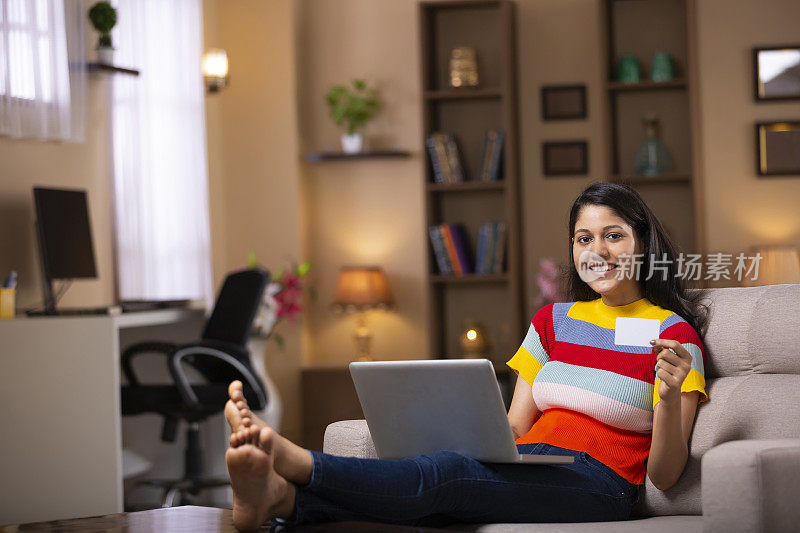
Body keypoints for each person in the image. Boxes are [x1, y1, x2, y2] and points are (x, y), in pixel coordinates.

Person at [223, 181, 709, 531]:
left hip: (601, 483)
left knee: (449, 475)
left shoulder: (672, 335)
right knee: (439, 482)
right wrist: (467, 436)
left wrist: (667, 398)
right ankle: (281, 499)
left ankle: (301, 463)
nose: (597, 250)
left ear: (642, 243)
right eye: (584, 238)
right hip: (532, 462)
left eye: (614, 235)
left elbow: (664, 476)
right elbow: (517, 429)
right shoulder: (552, 323)